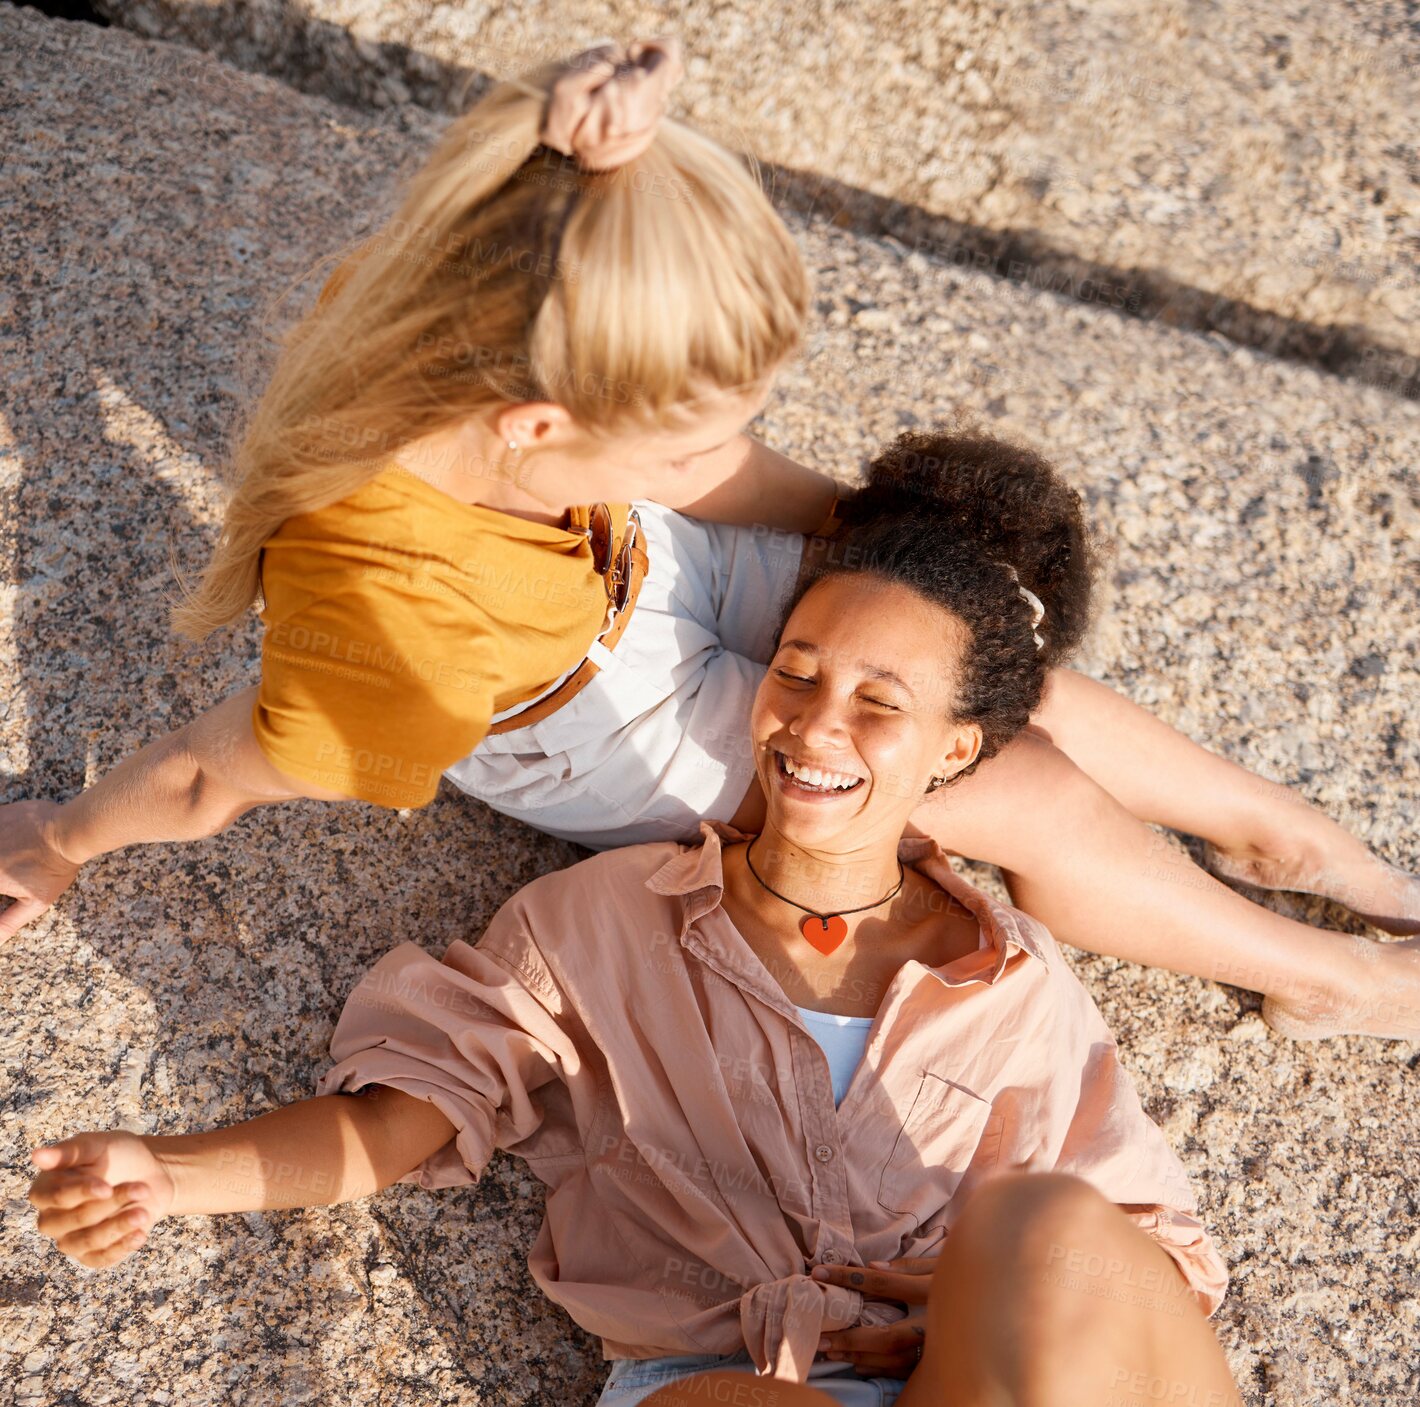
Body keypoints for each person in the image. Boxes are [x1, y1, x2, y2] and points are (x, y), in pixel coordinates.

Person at [1, 41, 1415, 1042]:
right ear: (542, 424)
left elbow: (530, 195)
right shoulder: (392, 622)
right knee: (1003, 779)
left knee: (950, 647)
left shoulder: (474, 280)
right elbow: (203, 771)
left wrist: (591, 139)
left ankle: (1278, 832)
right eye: (689, 447)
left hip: (627, 563)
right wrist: (57, 840)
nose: (728, 463)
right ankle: (1315, 968)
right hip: (591, 714)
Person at [27, 439, 1242, 1405]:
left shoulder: (1013, 979)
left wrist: (956, 1304)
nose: (815, 728)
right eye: (799, 671)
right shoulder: (597, 924)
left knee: (1036, 1224)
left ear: (957, 752)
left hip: (981, 1379)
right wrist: (169, 1180)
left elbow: (1153, 1264)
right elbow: (405, 1118)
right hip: (727, 1379)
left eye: (881, 704)